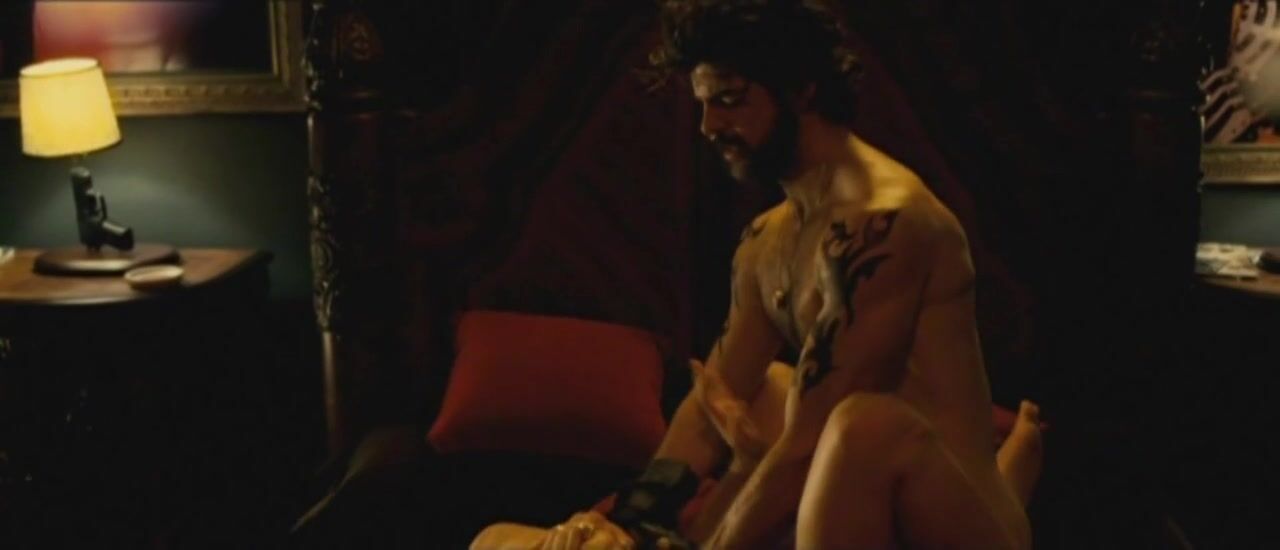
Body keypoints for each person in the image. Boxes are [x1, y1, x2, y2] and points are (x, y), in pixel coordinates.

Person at [472, 0, 1043, 548]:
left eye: (730, 100)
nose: (708, 125)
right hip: (846, 502)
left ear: (802, 89)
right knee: (500, 541)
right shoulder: (767, 240)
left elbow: (813, 440)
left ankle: (1014, 470)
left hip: (954, 522)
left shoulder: (887, 222)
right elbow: (712, 404)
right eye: (704, 103)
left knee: (862, 425)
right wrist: (630, 521)